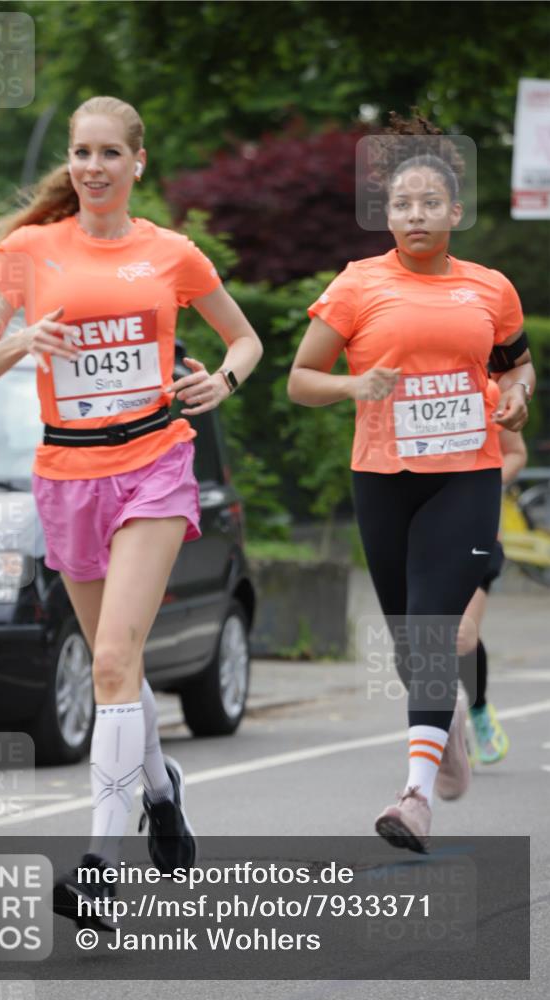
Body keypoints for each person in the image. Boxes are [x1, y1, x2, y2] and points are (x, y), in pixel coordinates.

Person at [0, 95, 262, 925]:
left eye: (109, 153)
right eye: (81, 152)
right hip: (67, 472)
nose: (93, 167)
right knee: (114, 666)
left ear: (137, 162)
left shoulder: (170, 253)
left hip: (153, 464)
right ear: (70, 160)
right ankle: (160, 790)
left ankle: (100, 863)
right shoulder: (27, 252)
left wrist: (222, 381)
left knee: (111, 662)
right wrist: (24, 340)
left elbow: (244, 339)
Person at [287, 112, 535, 854]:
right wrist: (354, 384)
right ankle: (445, 723)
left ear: (455, 212)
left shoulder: (490, 289)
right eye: (401, 204)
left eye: (430, 203)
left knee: (431, 628)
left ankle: (414, 796)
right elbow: (301, 380)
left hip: (466, 477)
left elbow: (516, 367)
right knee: (407, 643)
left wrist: (518, 394)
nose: (415, 214)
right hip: (383, 478)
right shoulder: (357, 285)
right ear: (386, 215)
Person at [458, 424, 527, 763]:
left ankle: (478, 709)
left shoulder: (490, 394)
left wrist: (483, 482)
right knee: (425, 634)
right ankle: (444, 729)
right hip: (420, 538)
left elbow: (516, 453)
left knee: (462, 634)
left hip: (476, 534)